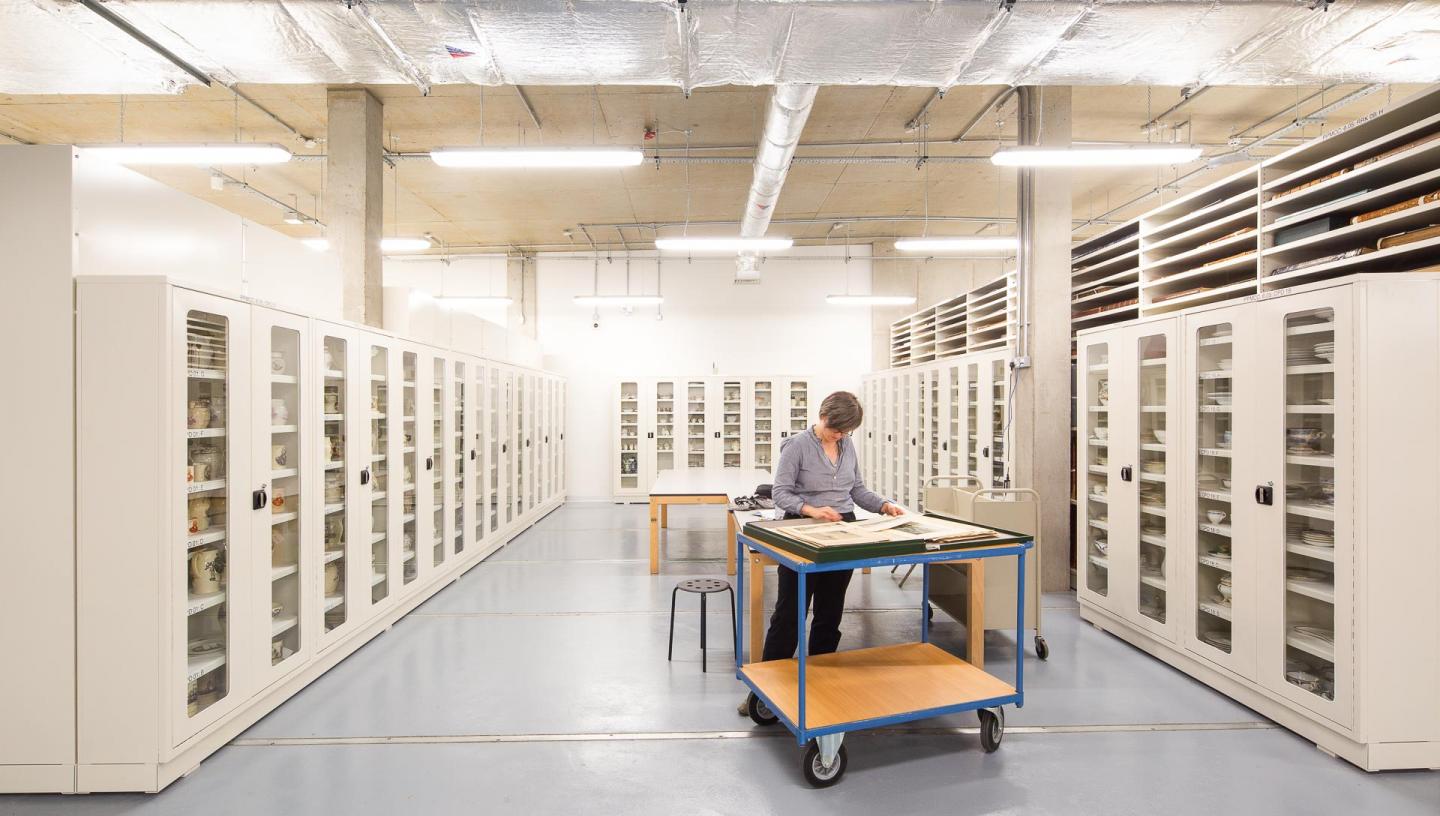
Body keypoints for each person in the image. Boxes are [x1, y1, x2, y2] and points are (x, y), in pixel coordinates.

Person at [740, 390, 904, 714]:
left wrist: (883, 505)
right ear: (823, 417)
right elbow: (781, 494)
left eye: (846, 431)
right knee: (790, 613)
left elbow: (856, 489)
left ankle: (819, 684)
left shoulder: (847, 444)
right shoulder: (797, 446)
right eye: (836, 429)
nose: (840, 435)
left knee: (830, 613)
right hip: (802, 529)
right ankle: (765, 692)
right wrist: (812, 510)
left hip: (842, 529)